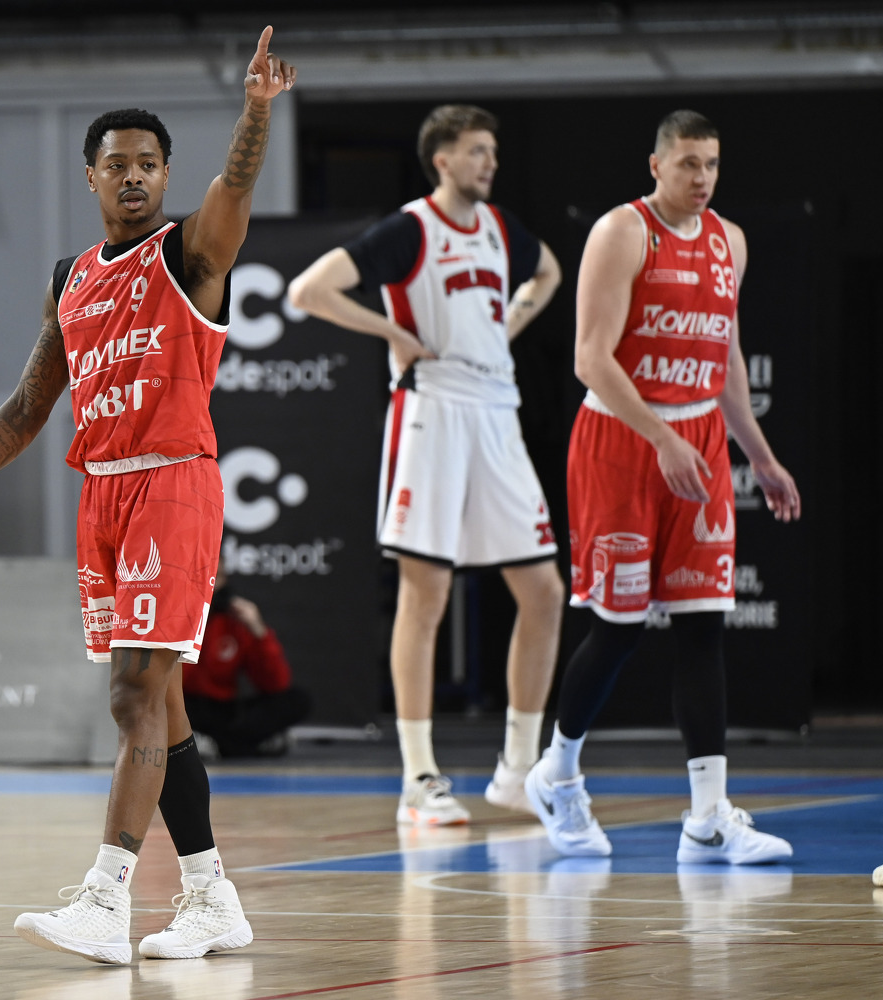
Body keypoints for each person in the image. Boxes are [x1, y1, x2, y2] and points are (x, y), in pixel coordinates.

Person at [0, 27, 295, 964]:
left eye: (148, 164)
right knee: (161, 709)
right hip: (105, 496)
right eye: (116, 164)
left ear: (164, 175)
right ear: (90, 177)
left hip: (172, 483)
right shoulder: (71, 280)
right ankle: (210, 897)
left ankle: (105, 898)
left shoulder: (190, 255)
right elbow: (28, 406)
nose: (133, 177)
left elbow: (236, 185)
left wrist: (254, 112)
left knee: (131, 695)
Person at [524, 110, 800, 863]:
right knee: (616, 627)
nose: (701, 177)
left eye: (711, 164)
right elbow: (590, 358)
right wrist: (660, 437)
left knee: (703, 623)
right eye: (687, 163)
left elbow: (726, 358)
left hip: (698, 438)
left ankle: (707, 819)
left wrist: (760, 458)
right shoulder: (622, 232)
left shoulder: (729, 241)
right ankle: (556, 772)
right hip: (622, 438)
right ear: (655, 165)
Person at [286, 105, 565, 826]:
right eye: (476, 151)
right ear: (442, 160)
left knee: (543, 591)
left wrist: (508, 324)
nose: (489, 162)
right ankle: (418, 780)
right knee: (426, 595)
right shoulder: (410, 229)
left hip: (496, 412)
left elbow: (548, 271)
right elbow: (307, 290)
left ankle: (517, 771)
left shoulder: (499, 228)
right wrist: (391, 332)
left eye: (492, 150)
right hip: (432, 411)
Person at [183, 566, 312, 758]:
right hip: (184, 706)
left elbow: (276, 684)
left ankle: (211, 744)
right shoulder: (175, 616)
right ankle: (244, 745)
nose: (211, 583)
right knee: (158, 706)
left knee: (296, 701)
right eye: (203, 575)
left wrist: (258, 631)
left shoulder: (235, 619)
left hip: (225, 709)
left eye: (217, 576)